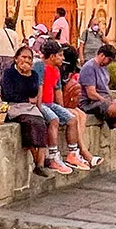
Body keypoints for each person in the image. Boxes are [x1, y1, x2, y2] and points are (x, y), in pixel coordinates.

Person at [35, 40, 92, 172]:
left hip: (51, 103)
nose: (63, 58)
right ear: (52, 56)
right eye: (60, 55)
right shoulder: (39, 66)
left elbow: (58, 90)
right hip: (41, 104)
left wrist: (62, 108)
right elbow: (39, 88)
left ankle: (72, 154)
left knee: (72, 119)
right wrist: (38, 108)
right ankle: (54, 156)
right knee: (54, 120)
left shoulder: (56, 69)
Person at [1, 45, 51, 178]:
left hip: (28, 107)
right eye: (23, 57)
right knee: (28, 123)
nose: (26, 60)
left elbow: (33, 93)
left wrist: (27, 75)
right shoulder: (9, 73)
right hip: (14, 107)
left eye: (29, 58)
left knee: (41, 123)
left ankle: (40, 163)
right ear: (16, 58)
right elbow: (8, 94)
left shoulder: (33, 75)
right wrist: (26, 98)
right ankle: (37, 160)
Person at [0, 18, 20, 84]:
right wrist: (17, 57)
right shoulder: (14, 34)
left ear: (5, 24)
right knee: (7, 74)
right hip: (10, 56)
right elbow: (16, 47)